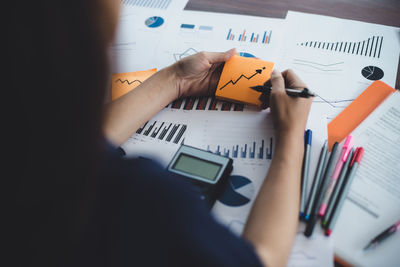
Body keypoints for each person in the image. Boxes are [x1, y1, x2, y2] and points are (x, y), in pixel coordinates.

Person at [5, 0, 312, 266]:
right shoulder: (139, 198)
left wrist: (176, 79)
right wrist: (291, 138)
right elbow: (262, 260)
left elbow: (77, 151)